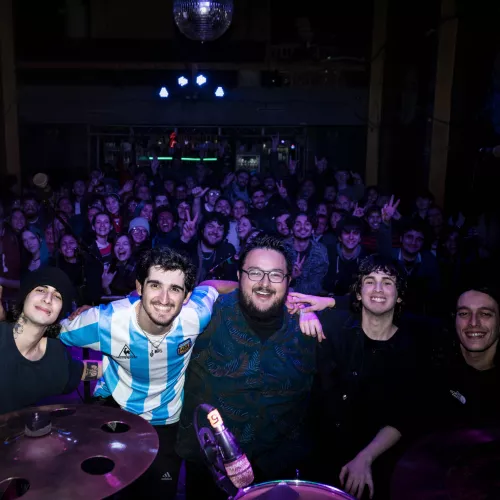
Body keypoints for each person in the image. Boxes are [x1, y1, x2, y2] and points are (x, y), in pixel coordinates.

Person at [58, 247, 236, 500]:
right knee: (110, 490)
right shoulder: (105, 321)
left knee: (161, 489)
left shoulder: (194, 316)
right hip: (115, 413)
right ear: (139, 288)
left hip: (167, 422)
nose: (164, 298)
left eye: (175, 289)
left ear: (186, 296)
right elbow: (52, 331)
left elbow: (213, 286)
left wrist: (288, 298)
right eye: (155, 285)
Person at [175, 235, 321, 500]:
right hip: (208, 467)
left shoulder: (307, 330)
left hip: (274, 471)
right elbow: (153, 308)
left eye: (276, 275)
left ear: (289, 280)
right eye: (254, 272)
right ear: (239, 276)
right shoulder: (207, 315)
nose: (264, 283)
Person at [289, 254, 423, 500]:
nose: (378, 289)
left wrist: (366, 457)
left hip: (372, 467)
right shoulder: (332, 327)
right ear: (359, 293)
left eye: (388, 282)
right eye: (370, 281)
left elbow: (403, 416)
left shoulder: (410, 349)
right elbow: (283, 304)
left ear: (399, 295)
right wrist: (303, 312)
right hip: (317, 462)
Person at [0, 267, 101, 415]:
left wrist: (132, 361)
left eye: (57, 296)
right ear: (25, 296)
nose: (48, 299)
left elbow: (82, 370)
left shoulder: (55, 354)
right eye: (41, 290)